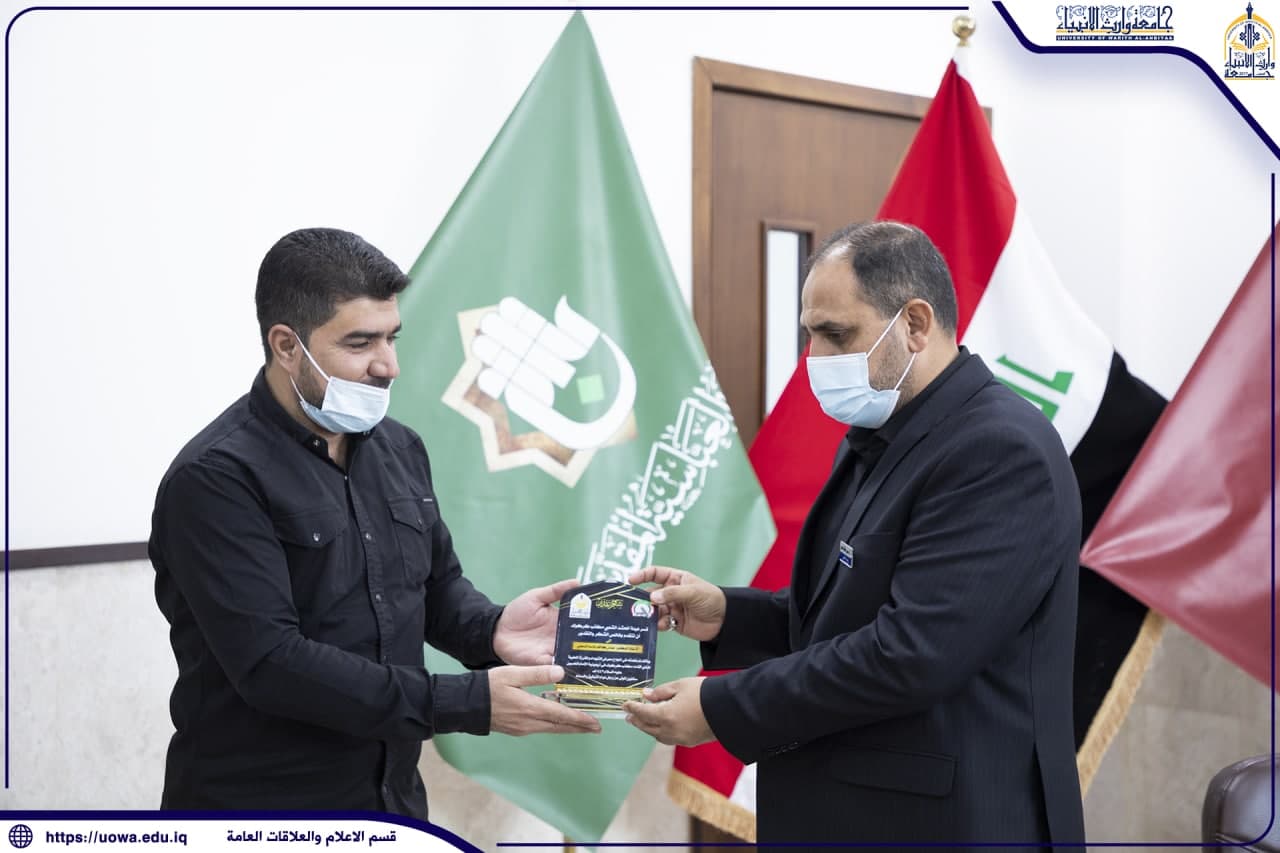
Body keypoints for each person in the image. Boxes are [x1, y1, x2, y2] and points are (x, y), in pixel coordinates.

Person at [625, 221, 1085, 848]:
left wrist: (720, 707)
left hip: (946, 829)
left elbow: (909, 653)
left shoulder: (999, 450)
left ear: (915, 324)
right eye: (809, 335)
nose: (815, 359)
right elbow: (845, 613)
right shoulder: (884, 432)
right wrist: (727, 615)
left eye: (836, 335)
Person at [150, 227, 599, 817]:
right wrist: (466, 701)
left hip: (393, 804)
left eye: (391, 337)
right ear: (286, 346)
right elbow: (272, 663)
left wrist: (492, 630)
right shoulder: (215, 479)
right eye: (360, 343)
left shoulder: (399, 448)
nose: (389, 366)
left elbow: (434, 590)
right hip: (262, 814)